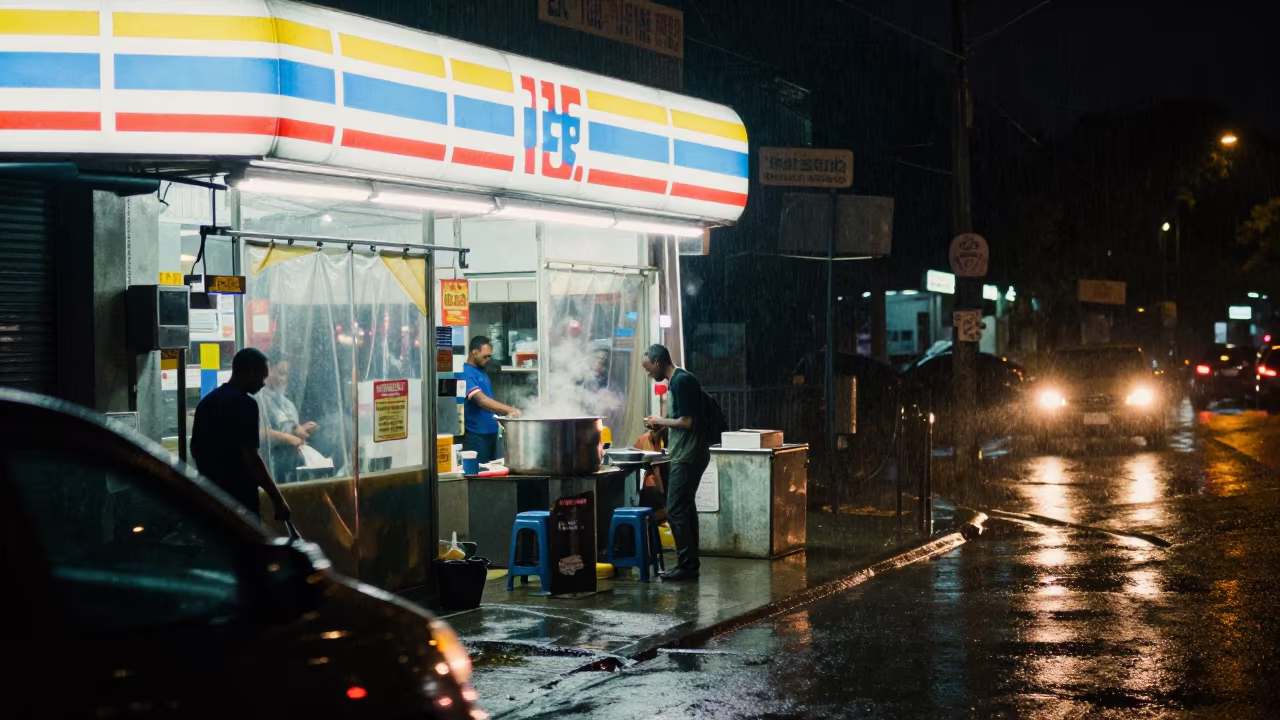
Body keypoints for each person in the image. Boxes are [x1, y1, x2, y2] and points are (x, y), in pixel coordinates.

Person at [190, 348, 291, 522]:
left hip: (211, 497)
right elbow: (251, 457)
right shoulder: (246, 404)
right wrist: (277, 499)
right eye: (262, 377)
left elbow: (195, 449)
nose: (263, 383)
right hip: (240, 499)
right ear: (250, 373)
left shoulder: (207, 403)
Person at [642, 344, 709, 582]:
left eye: (649, 369)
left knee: (674, 510)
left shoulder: (681, 381)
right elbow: (680, 419)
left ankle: (687, 565)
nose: (649, 375)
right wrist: (660, 426)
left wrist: (661, 419)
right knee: (686, 508)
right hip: (687, 453)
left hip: (688, 455)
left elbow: (688, 422)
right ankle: (690, 564)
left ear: (658, 361)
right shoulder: (678, 381)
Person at [257, 358, 317, 483]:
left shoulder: (287, 404)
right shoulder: (257, 399)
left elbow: (287, 427)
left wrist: (300, 429)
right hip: (268, 468)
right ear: (268, 370)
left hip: (291, 469)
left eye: (285, 374)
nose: (283, 379)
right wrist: (289, 438)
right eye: (280, 373)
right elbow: (257, 433)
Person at [461, 335, 520, 464]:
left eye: (489, 356)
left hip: (491, 433)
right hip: (476, 435)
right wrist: (510, 409)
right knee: (479, 475)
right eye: (485, 356)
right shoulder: (465, 372)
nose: (488, 360)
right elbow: (481, 401)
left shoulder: (482, 373)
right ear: (474, 352)